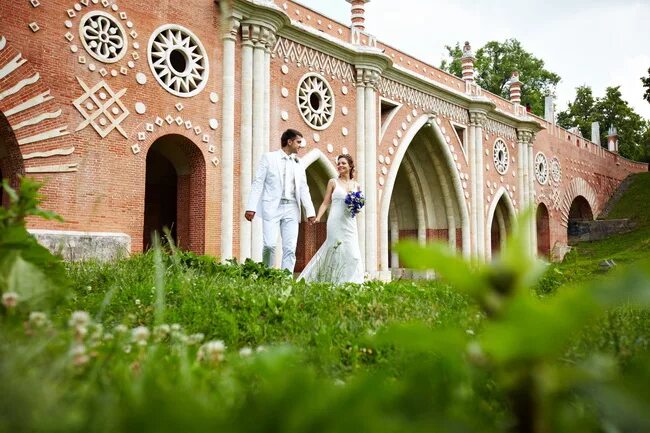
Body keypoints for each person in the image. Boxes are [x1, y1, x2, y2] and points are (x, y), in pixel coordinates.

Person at [245, 128, 315, 272]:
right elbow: (258, 182)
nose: (300, 145)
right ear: (289, 142)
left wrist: (310, 211)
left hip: (292, 208)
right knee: (269, 245)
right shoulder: (268, 158)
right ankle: (267, 274)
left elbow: (303, 187)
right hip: (272, 207)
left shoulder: (299, 163)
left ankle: (285, 280)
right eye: (298, 142)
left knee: (289, 248)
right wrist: (250, 207)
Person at [298, 154, 364, 284]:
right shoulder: (333, 182)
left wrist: (356, 206)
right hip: (335, 222)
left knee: (353, 254)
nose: (340, 165)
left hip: (350, 222)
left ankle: (353, 283)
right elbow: (325, 203)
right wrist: (318, 217)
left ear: (350, 166)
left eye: (343, 163)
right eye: (338, 163)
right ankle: (332, 281)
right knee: (335, 251)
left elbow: (359, 207)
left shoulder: (357, 185)